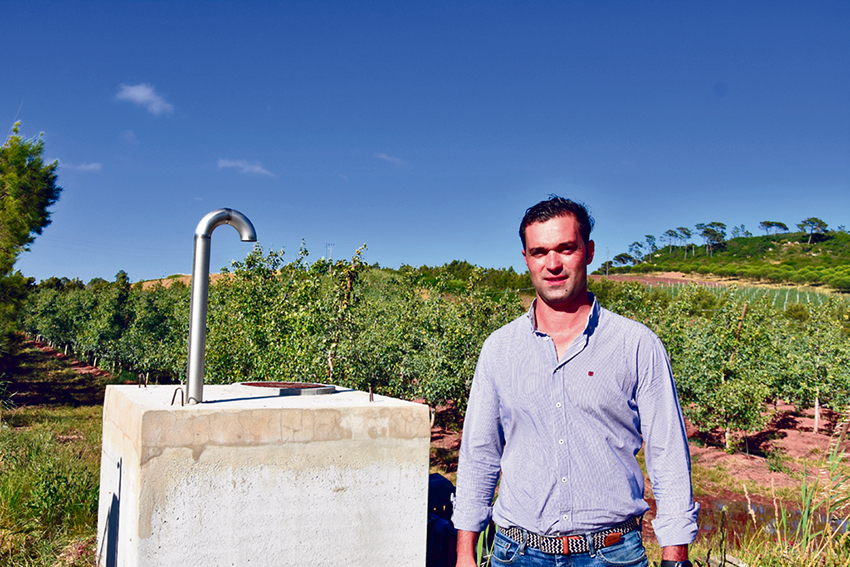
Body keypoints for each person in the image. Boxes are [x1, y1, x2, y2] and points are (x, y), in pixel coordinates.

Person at [452, 197, 699, 567]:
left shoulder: (635, 344)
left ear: (589, 251)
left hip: (612, 553)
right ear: (526, 259)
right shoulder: (499, 350)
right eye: (539, 252)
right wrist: (464, 555)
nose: (553, 264)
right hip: (516, 552)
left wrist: (675, 554)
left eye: (565, 248)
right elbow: (480, 454)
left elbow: (667, 453)